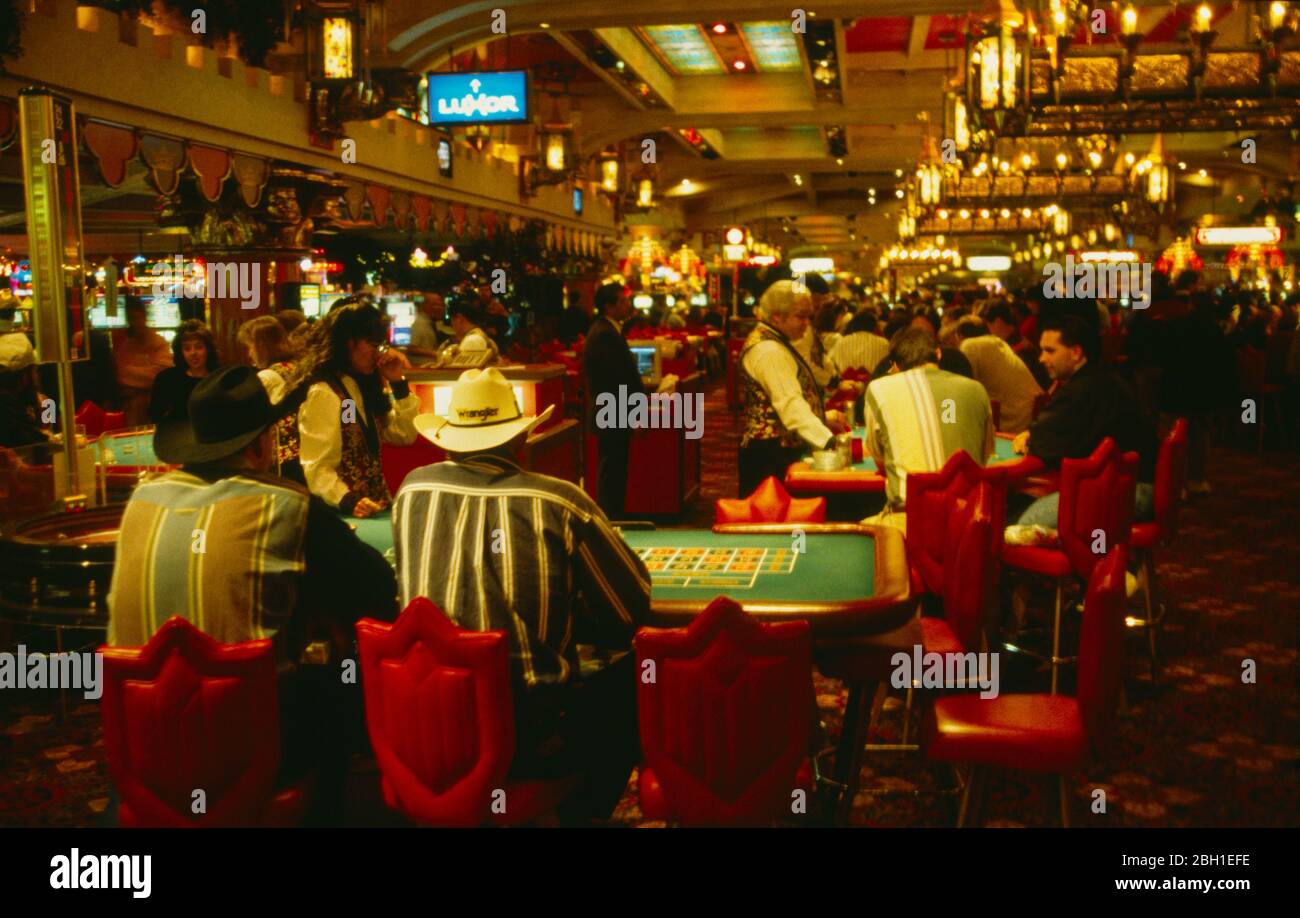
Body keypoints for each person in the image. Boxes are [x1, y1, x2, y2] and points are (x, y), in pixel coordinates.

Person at [107, 365, 398, 821]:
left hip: (141, 743)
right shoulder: (288, 504)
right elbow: (378, 592)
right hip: (249, 747)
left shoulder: (140, 503)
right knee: (345, 674)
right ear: (263, 444)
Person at [394, 367, 650, 823]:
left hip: (422, 720)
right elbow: (628, 612)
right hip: (527, 736)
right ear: (520, 441)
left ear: (448, 438)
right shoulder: (560, 500)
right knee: (634, 679)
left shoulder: (412, 489)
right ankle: (579, 814)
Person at [1011, 314, 1156, 527]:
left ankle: (1079, 559)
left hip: (1127, 492)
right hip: (1128, 485)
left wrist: (1033, 435)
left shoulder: (1085, 389)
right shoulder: (1099, 377)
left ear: (1076, 353)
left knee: (1016, 529)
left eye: (1050, 351)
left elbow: (1043, 444)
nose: (1041, 359)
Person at [296, 299, 420, 518]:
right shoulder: (324, 392)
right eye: (374, 344)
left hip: (375, 508)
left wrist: (398, 384)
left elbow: (403, 435)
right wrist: (347, 499)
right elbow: (316, 467)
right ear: (348, 341)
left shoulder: (358, 387)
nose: (380, 353)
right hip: (344, 516)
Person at [862, 327, 994, 532]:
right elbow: (983, 457)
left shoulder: (878, 388)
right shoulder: (977, 388)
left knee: (858, 532)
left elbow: (879, 456)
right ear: (939, 353)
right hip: (970, 521)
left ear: (895, 365)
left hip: (909, 520)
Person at [738, 279, 845, 497]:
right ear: (777, 316)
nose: (807, 323)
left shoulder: (776, 341)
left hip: (774, 448)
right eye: (800, 316)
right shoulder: (768, 350)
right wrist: (829, 442)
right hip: (771, 453)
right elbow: (790, 405)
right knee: (772, 524)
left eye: (809, 316)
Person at [583, 283, 657, 517]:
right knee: (612, 470)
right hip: (612, 411)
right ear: (609, 306)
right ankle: (610, 520)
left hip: (613, 411)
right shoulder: (604, 333)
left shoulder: (608, 329)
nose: (628, 305)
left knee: (614, 468)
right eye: (623, 301)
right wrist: (634, 415)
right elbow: (615, 381)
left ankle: (613, 517)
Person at [238, 315, 305, 484]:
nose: (249, 353)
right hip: (304, 452)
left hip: (281, 460)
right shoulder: (296, 367)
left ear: (262, 346)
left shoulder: (266, 377)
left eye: (250, 346)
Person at [955, 317, 1043, 434]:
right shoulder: (995, 341)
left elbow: (964, 391)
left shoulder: (969, 346)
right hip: (1033, 412)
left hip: (1016, 421)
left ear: (960, 336)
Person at [114, 296, 172, 426]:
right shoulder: (126, 345)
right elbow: (121, 374)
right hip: (132, 408)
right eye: (132, 318)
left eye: (138, 317)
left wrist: (132, 372)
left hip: (155, 405)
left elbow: (161, 375)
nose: (136, 322)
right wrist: (146, 372)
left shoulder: (158, 342)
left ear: (144, 317)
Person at [149, 319, 219, 424]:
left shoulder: (219, 378)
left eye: (198, 347)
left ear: (208, 349)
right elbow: (155, 417)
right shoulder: (166, 379)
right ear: (180, 352)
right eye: (187, 348)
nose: (193, 353)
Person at [985, 300, 1050, 389]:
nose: (990, 333)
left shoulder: (1014, 350)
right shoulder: (1020, 340)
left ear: (998, 322)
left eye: (989, 327)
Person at [0, 332, 49, 448]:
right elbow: (35, 445)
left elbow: (47, 426)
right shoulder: (6, 404)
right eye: (35, 370)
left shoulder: (22, 398)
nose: (37, 375)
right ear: (24, 376)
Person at [829, 310, 890, 376]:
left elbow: (831, 362)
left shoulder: (841, 342)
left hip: (846, 384)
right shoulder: (884, 343)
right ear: (875, 327)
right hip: (876, 384)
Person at [439, 297, 500, 362]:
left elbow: (463, 370)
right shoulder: (478, 336)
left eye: (452, 321)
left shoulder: (472, 340)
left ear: (459, 319)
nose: (452, 326)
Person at [406, 290, 445, 363]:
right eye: (436, 304)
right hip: (421, 368)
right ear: (425, 305)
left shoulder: (430, 323)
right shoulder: (420, 323)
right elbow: (411, 348)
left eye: (441, 305)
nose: (440, 308)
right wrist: (435, 353)